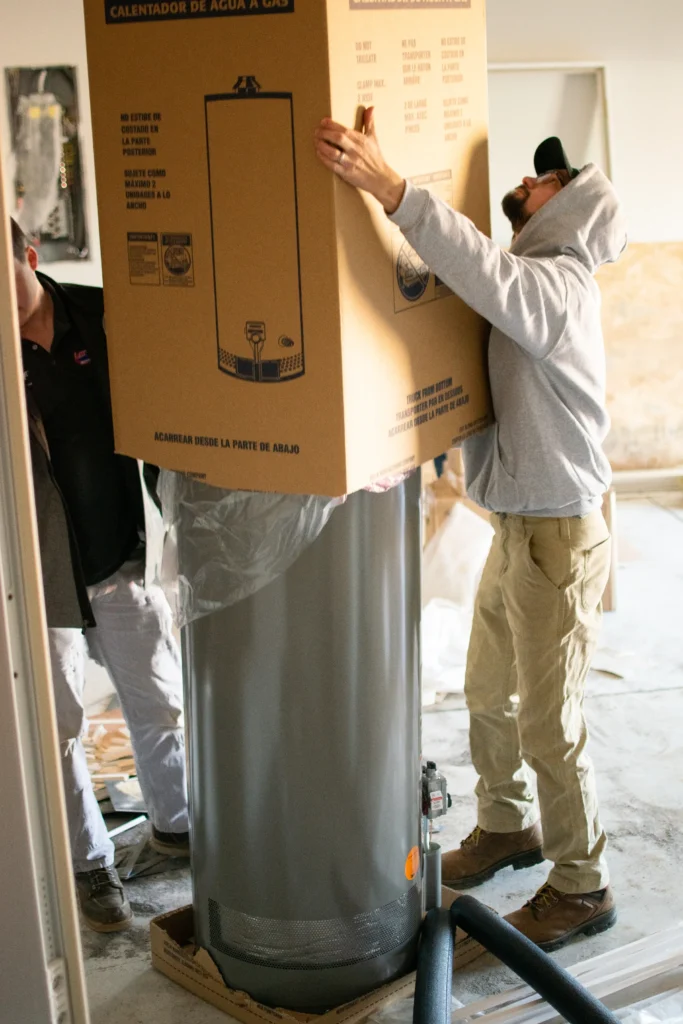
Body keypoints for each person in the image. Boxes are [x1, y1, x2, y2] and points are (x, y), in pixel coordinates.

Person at [314, 115, 627, 951]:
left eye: (544, 180)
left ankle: (579, 884)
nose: (525, 183)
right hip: (519, 525)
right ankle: (505, 826)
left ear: (571, 206)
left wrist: (390, 188)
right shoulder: (529, 274)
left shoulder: (557, 284)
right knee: (488, 688)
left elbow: (481, 269)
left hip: (556, 536)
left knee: (550, 723)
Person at [11, 218, 190, 933]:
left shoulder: (103, 311)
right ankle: (91, 869)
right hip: (38, 572)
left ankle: (178, 827)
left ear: (28, 255)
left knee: (159, 701)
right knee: (57, 727)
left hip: (120, 551)